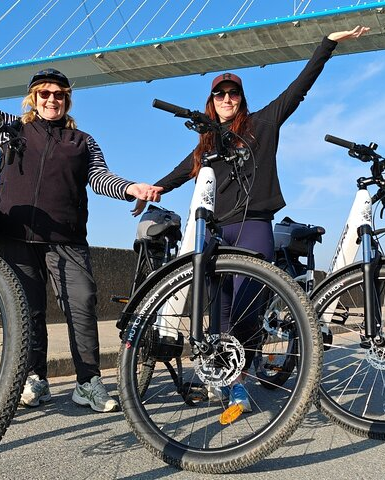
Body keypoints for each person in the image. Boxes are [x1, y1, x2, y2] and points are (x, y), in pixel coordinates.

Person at [132, 26, 370, 412]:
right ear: (212, 102)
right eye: (220, 94)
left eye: (233, 93)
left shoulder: (262, 124)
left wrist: (327, 45)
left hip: (253, 223)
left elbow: (298, 88)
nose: (227, 98)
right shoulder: (208, 142)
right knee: (220, 308)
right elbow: (183, 170)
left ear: (241, 99)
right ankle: (230, 380)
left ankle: (242, 364)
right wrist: (155, 188)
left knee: (251, 298)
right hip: (215, 228)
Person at [0, 24, 163, 413]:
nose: (51, 99)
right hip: (16, 236)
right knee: (28, 311)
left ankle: (88, 382)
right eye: (44, 93)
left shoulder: (82, 141)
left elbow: (99, 178)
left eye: (59, 95)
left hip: (67, 239)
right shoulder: (12, 130)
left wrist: (130, 188)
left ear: (67, 101)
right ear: (33, 99)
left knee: (82, 305)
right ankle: (35, 379)